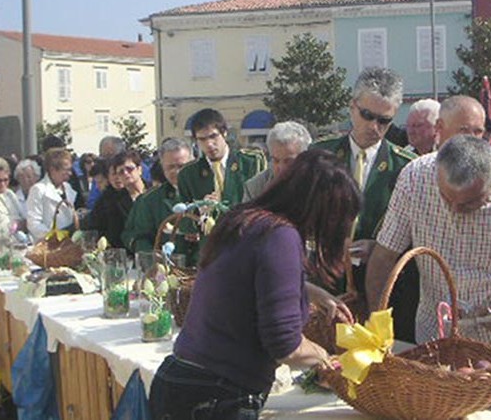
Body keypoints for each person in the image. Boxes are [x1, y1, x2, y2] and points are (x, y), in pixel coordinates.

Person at [149, 149, 361, 420]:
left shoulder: (245, 218)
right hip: (216, 394)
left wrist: (311, 291)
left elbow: (243, 279)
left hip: (180, 379)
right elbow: (285, 344)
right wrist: (325, 358)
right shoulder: (280, 236)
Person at [366, 135, 491, 354]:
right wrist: (377, 325)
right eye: (446, 198)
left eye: (469, 202)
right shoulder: (414, 177)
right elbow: (384, 255)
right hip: (435, 335)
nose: (455, 209)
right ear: (436, 176)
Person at [312, 67, 416, 340]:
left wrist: (382, 248)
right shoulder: (320, 154)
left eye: (384, 121)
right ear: (352, 107)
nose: (374, 127)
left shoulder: (405, 166)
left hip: (382, 285)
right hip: (327, 278)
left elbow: (417, 232)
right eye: (367, 116)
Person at [178, 108, 266, 206]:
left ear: (224, 133)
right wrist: (201, 211)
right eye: (202, 139)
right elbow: (184, 216)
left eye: (213, 136)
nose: (209, 144)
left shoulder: (251, 162)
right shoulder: (188, 175)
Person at [123, 138, 193, 254]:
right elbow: (136, 235)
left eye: (181, 166)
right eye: (170, 167)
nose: (176, 172)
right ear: (162, 167)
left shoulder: (209, 191)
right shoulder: (149, 200)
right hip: (167, 267)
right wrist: (152, 257)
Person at [243, 121, 312, 201]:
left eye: (288, 161)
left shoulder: (318, 185)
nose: (281, 168)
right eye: (276, 160)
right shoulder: (255, 188)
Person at [26, 148, 80, 242]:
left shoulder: (68, 188)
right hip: (48, 246)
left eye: (70, 169)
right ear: (52, 169)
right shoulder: (38, 190)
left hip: (69, 244)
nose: (70, 173)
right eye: (66, 170)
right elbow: (33, 223)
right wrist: (54, 236)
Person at [88, 154, 132, 249]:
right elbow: (92, 222)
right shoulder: (106, 199)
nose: (117, 178)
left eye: (119, 173)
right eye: (113, 174)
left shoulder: (137, 195)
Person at [0, 157, 24, 236]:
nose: (2, 184)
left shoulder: (10, 194)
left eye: (5, 180)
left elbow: (21, 218)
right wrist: (10, 227)